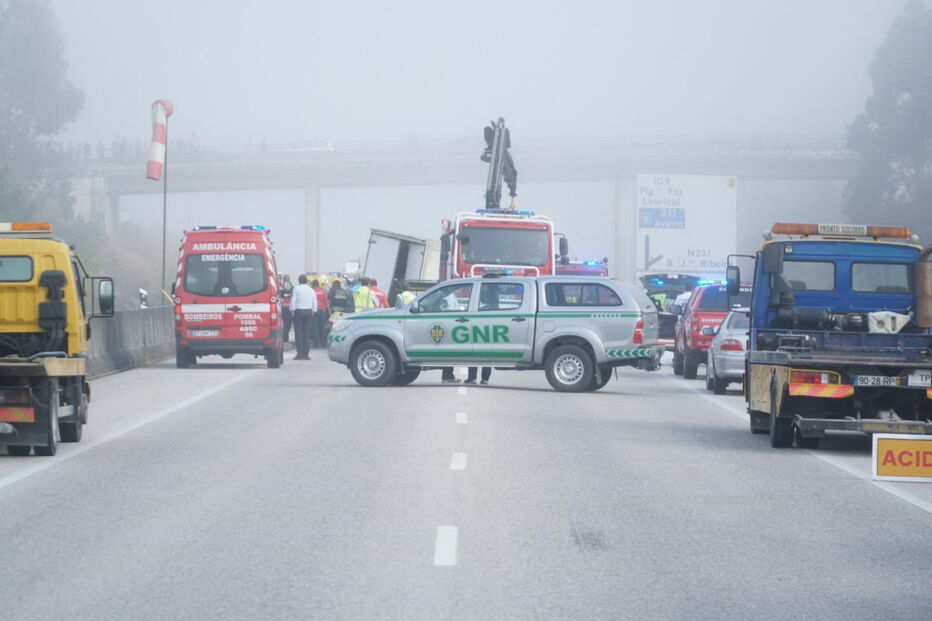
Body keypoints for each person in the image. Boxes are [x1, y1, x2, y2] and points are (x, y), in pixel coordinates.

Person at [290, 274, 317, 360]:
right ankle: (306, 354)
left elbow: (293, 300)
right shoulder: (311, 290)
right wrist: (314, 310)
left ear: (299, 281)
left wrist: (292, 310)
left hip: (298, 311)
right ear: (306, 281)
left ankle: (299, 354)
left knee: (298, 333)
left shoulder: (296, 289)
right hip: (309, 311)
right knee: (306, 333)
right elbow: (314, 301)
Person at [311, 279, 329, 347]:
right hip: (321, 311)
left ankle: (316, 343)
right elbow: (326, 302)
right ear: (318, 284)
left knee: (314, 327)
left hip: (314, 311)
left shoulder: (311, 291)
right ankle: (323, 343)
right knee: (322, 327)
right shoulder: (322, 291)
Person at [279, 274, 294, 343]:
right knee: (288, 324)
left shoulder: (281, 287)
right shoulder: (292, 287)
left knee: (283, 323)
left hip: (283, 308)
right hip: (289, 308)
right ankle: (286, 338)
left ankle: (284, 338)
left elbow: (281, 298)